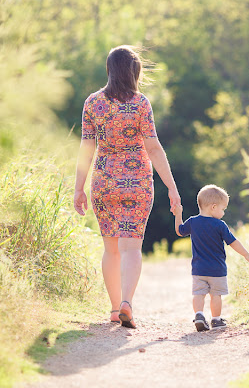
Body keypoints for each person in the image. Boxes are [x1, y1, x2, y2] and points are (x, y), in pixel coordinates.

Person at [74, 45, 181, 328]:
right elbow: (154, 148)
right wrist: (172, 187)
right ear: (134, 72)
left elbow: (86, 147)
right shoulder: (140, 103)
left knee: (111, 248)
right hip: (137, 184)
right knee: (132, 248)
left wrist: (78, 187)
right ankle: (127, 303)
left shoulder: (92, 103)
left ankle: (113, 308)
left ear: (109, 70)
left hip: (104, 182)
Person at [173, 184, 249, 331]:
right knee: (216, 295)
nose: (223, 213)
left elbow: (180, 231)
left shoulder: (192, 222)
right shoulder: (220, 225)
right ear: (213, 207)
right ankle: (216, 320)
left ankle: (199, 315)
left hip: (198, 269)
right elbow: (233, 242)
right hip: (217, 270)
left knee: (199, 294)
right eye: (223, 209)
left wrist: (178, 214)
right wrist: (246, 254)